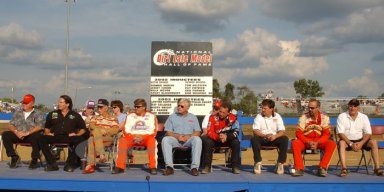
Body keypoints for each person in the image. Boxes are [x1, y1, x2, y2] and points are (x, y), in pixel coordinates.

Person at [38, 95, 88, 172]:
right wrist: (47, 133)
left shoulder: (75, 115)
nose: (58, 104)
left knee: (80, 140)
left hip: (69, 136)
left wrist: (77, 134)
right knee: (41, 138)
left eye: (61, 102)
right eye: (58, 102)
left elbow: (83, 129)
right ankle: (52, 164)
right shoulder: (52, 114)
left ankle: (69, 164)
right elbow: (47, 127)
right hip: (55, 136)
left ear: (67, 104)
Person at [336, 98, 383, 177]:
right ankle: (344, 168)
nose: (353, 108)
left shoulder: (364, 117)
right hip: (347, 140)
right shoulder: (342, 116)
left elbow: (368, 133)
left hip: (360, 140)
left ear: (358, 108)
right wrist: (350, 144)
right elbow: (340, 133)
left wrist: (361, 143)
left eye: (355, 106)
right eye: (351, 106)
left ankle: (377, 168)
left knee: (373, 142)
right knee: (341, 143)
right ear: (348, 106)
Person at [112, 98, 158, 175]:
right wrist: (133, 136)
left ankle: (153, 167)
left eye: (138, 106)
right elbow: (126, 129)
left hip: (146, 138)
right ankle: (120, 167)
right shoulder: (130, 116)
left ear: (144, 107)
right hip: (131, 137)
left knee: (152, 141)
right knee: (122, 140)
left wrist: (143, 137)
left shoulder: (151, 116)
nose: (136, 108)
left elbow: (153, 130)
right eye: (135, 106)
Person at [291, 98, 336, 177]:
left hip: (319, 142)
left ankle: (322, 168)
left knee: (331, 144)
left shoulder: (324, 118)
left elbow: (326, 134)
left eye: (312, 108)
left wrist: (318, 142)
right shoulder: (303, 117)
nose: (310, 109)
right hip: (306, 142)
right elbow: (299, 133)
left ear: (318, 108)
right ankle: (299, 168)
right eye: (309, 107)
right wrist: (308, 142)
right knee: (295, 143)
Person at [1, 94, 45, 169]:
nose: (24, 104)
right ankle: (14, 156)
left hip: (30, 135)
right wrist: (16, 132)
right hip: (18, 134)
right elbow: (11, 125)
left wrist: (27, 133)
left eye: (26, 103)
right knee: (5, 134)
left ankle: (34, 159)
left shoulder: (38, 113)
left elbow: (40, 126)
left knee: (38, 136)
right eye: (23, 102)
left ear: (32, 103)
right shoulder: (18, 112)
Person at [161, 98, 202, 176]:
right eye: (178, 105)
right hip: (175, 139)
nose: (179, 107)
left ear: (187, 108)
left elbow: (198, 132)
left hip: (188, 140)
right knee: (165, 140)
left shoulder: (193, 117)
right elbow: (168, 131)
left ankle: (194, 168)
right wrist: (177, 136)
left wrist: (189, 136)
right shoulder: (172, 116)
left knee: (197, 140)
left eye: (182, 106)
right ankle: (169, 167)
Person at [201, 102, 241, 174]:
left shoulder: (233, 119)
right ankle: (207, 166)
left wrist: (227, 137)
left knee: (236, 142)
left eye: (223, 112)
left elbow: (236, 132)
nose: (221, 114)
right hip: (216, 139)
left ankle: (235, 166)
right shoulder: (212, 117)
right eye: (220, 111)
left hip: (227, 139)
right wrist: (218, 137)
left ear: (228, 113)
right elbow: (209, 132)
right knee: (207, 141)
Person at [251, 99, 288, 175]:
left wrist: (275, 136)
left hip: (274, 138)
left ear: (271, 109)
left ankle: (280, 163)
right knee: (254, 138)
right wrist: (264, 135)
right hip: (263, 138)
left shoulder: (277, 116)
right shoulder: (259, 116)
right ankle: (258, 162)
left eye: (265, 108)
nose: (263, 110)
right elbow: (255, 130)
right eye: (262, 108)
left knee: (284, 139)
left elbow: (282, 131)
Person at [83, 99, 120, 174]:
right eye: (98, 107)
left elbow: (115, 129)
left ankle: (90, 165)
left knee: (92, 137)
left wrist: (105, 131)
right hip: (97, 139)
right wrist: (100, 131)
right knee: (92, 138)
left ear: (106, 107)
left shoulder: (113, 118)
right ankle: (101, 155)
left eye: (101, 107)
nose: (99, 109)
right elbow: (91, 125)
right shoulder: (95, 117)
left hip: (107, 139)